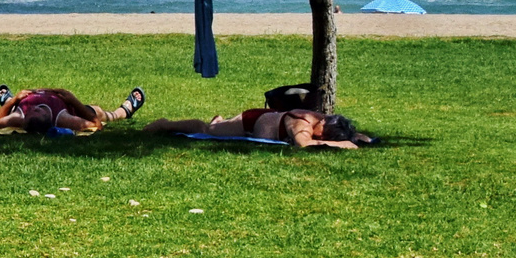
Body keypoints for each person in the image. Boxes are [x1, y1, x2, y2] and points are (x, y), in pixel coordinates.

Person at [143, 107, 373, 149]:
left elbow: (356, 137)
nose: (320, 137)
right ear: (321, 125)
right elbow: (304, 144)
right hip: (251, 122)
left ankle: (220, 121)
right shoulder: (302, 124)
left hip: (262, 122)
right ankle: (165, 124)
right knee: (207, 131)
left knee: (219, 127)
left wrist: (356, 138)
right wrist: (340, 144)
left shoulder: (324, 120)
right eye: (323, 135)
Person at [0, 85, 145, 135]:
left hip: (24, 97)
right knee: (98, 111)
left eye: (31, 111)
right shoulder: (62, 118)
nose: (33, 108)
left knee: (11, 107)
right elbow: (97, 125)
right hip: (67, 104)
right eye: (37, 111)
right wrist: (73, 101)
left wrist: (15, 100)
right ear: (46, 117)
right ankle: (124, 111)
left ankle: (7, 101)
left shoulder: (20, 116)